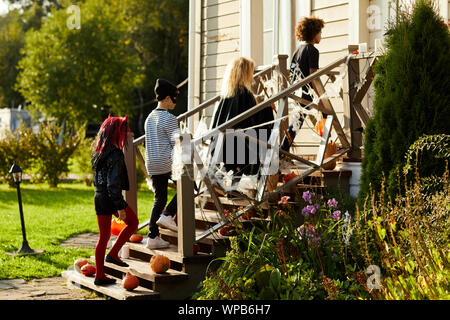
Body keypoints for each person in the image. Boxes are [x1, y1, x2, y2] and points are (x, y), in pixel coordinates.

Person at [210, 56, 274, 185]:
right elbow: (253, 119)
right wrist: (267, 108)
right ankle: (233, 187)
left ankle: (226, 185)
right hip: (240, 142)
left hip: (225, 142)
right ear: (245, 73)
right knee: (246, 152)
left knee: (235, 163)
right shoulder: (245, 94)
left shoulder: (228, 93)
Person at [91, 115, 139, 285]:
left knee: (103, 236)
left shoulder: (98, 152)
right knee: (133, 222)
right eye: (124, 131)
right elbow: (113, 185)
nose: (125, 135)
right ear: (116, 132)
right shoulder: (116, 154)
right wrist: (120, 207)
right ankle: (107, 264)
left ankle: (103, 269)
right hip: (111, 198)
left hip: (99, 197)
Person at [144, 79, 180, 249]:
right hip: (167, 162)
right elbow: (177, 143)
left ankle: (152, 236)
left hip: (152, 163)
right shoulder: (170, 118)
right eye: (174, 98)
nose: (175, 102)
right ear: (166, 99)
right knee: (187, 188)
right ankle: (168, 215)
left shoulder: (149, 117)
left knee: (159, 198)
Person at [281, 16, 325, 152]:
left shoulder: (297, 51)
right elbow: (313, 75)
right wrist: (320, 97)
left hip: (297, 92)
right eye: (320, 33)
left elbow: (292, 72)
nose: (321, 36)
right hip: (307, 93)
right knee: (325, 115)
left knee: (296, 122)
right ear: (313, 33)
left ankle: (283, 150)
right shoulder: (312, 51)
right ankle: (326, 146)